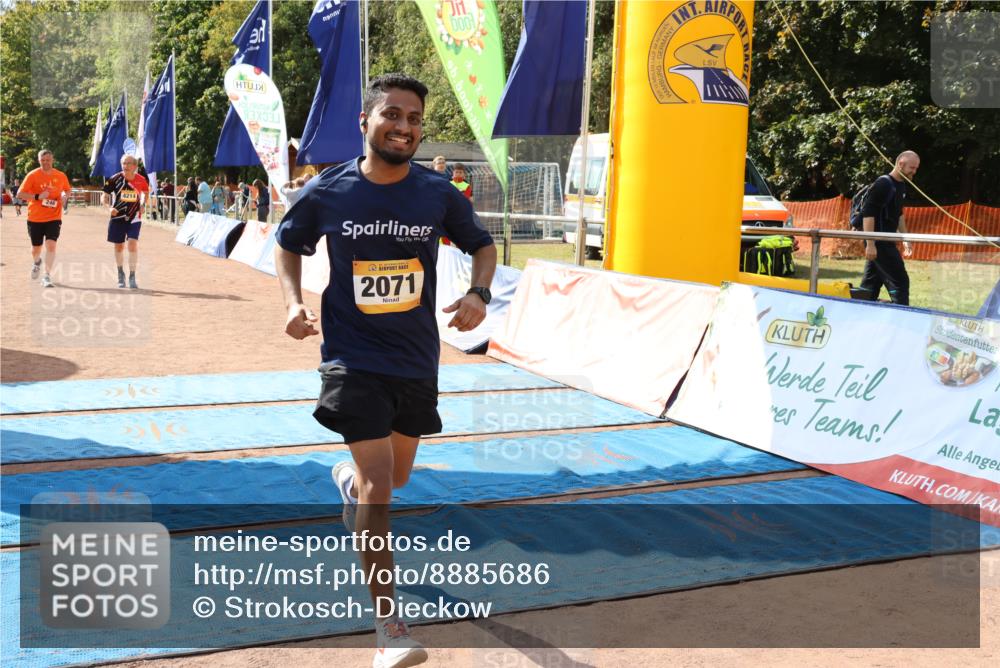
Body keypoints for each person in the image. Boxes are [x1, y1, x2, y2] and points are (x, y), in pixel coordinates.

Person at [274, 73, 496, 668]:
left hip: (415, 359)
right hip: (351, 359)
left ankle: (345, 483)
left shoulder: (437, 192)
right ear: (365, 123)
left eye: (414, 119)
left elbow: (483, 244)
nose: (404, 126)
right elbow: (288, 242)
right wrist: (293, 302)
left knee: (393, 480)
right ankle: (389, 629)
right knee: (381, 485)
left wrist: (479, 292)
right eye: (392, 115)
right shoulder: (330, 189)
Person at [858, 150, 919, 305]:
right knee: (900, 282)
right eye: (912, 168)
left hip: (888, 240)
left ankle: (861, 310)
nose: (914, 171)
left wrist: (905, 238)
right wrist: (870, 244)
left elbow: (898, 214)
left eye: (916, 168)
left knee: (870, 285)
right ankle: (901, 315)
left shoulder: (901, 186)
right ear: (900, 164)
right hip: (879, 242)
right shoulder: (883, 184)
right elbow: (868, 214)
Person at [17, 150, 72, 288]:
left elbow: (67, 189)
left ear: (52, 160)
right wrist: (37, 197)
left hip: (54, 217)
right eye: (43, 160)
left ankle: (47, 276)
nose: (46, 162)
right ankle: (36, 262)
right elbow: (20, 194)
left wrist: (65, 196)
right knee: (36, 248)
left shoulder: (60, 175)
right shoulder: (32, 175)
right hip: (35, 217)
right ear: (39, 160)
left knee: (51, 245)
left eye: (48, 160)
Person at [101, 154, 149, 289]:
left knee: (132, 244)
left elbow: (145, 192)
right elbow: (104, 195)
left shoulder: (141, 179)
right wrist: (109, 208)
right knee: (119, 247)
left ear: (135, 166)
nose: (126, 166)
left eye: (128, 164)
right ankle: (120, 273)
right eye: (123, 163)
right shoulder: (114, 179)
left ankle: (132, 276)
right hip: (117, 217)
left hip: (134, 217)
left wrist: (143, 204)